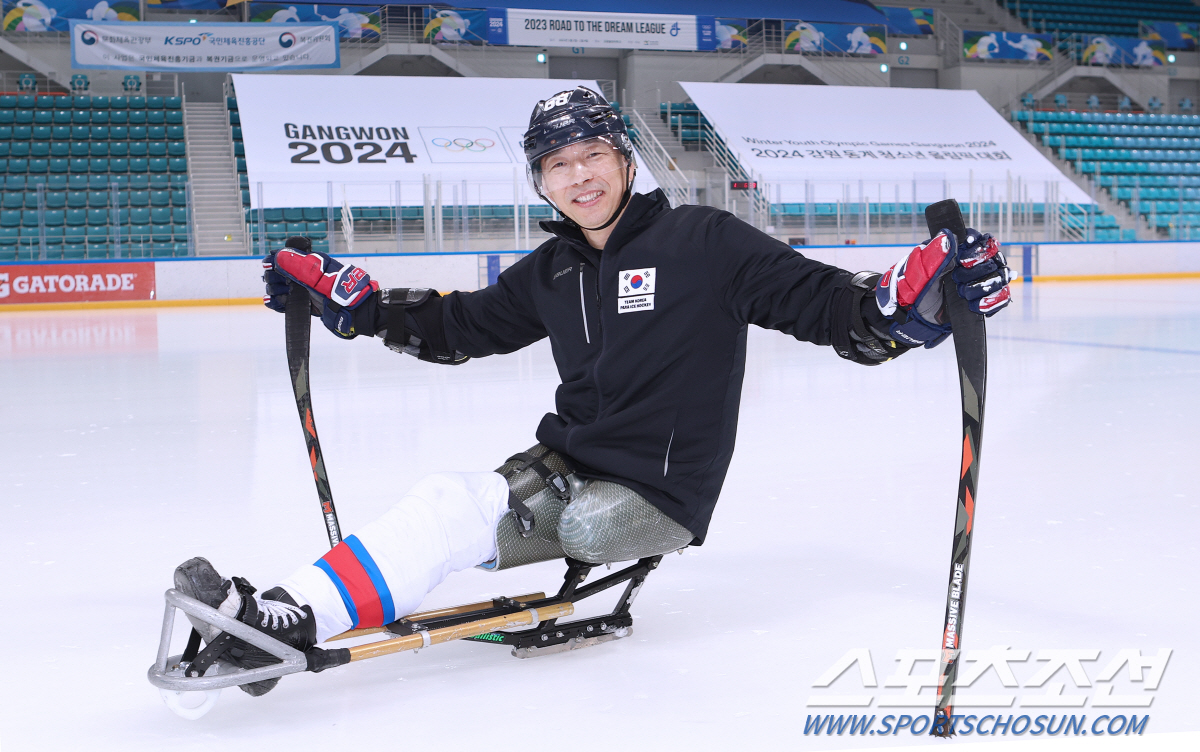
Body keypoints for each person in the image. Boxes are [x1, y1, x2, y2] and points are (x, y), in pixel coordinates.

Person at [172, 86, 1012, 696]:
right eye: (558, 165)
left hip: (655, 492)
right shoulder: (554, 267)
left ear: (625, 159)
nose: (579, 177)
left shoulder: (703, 241)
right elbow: (459, 327)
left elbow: (831, 308)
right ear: (541, 181)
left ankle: (292, 615)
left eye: (593, 156)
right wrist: (352, 306)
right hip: (562, 465)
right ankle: (282, 613)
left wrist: (903, 304)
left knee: (576, 522)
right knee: (445, 502)